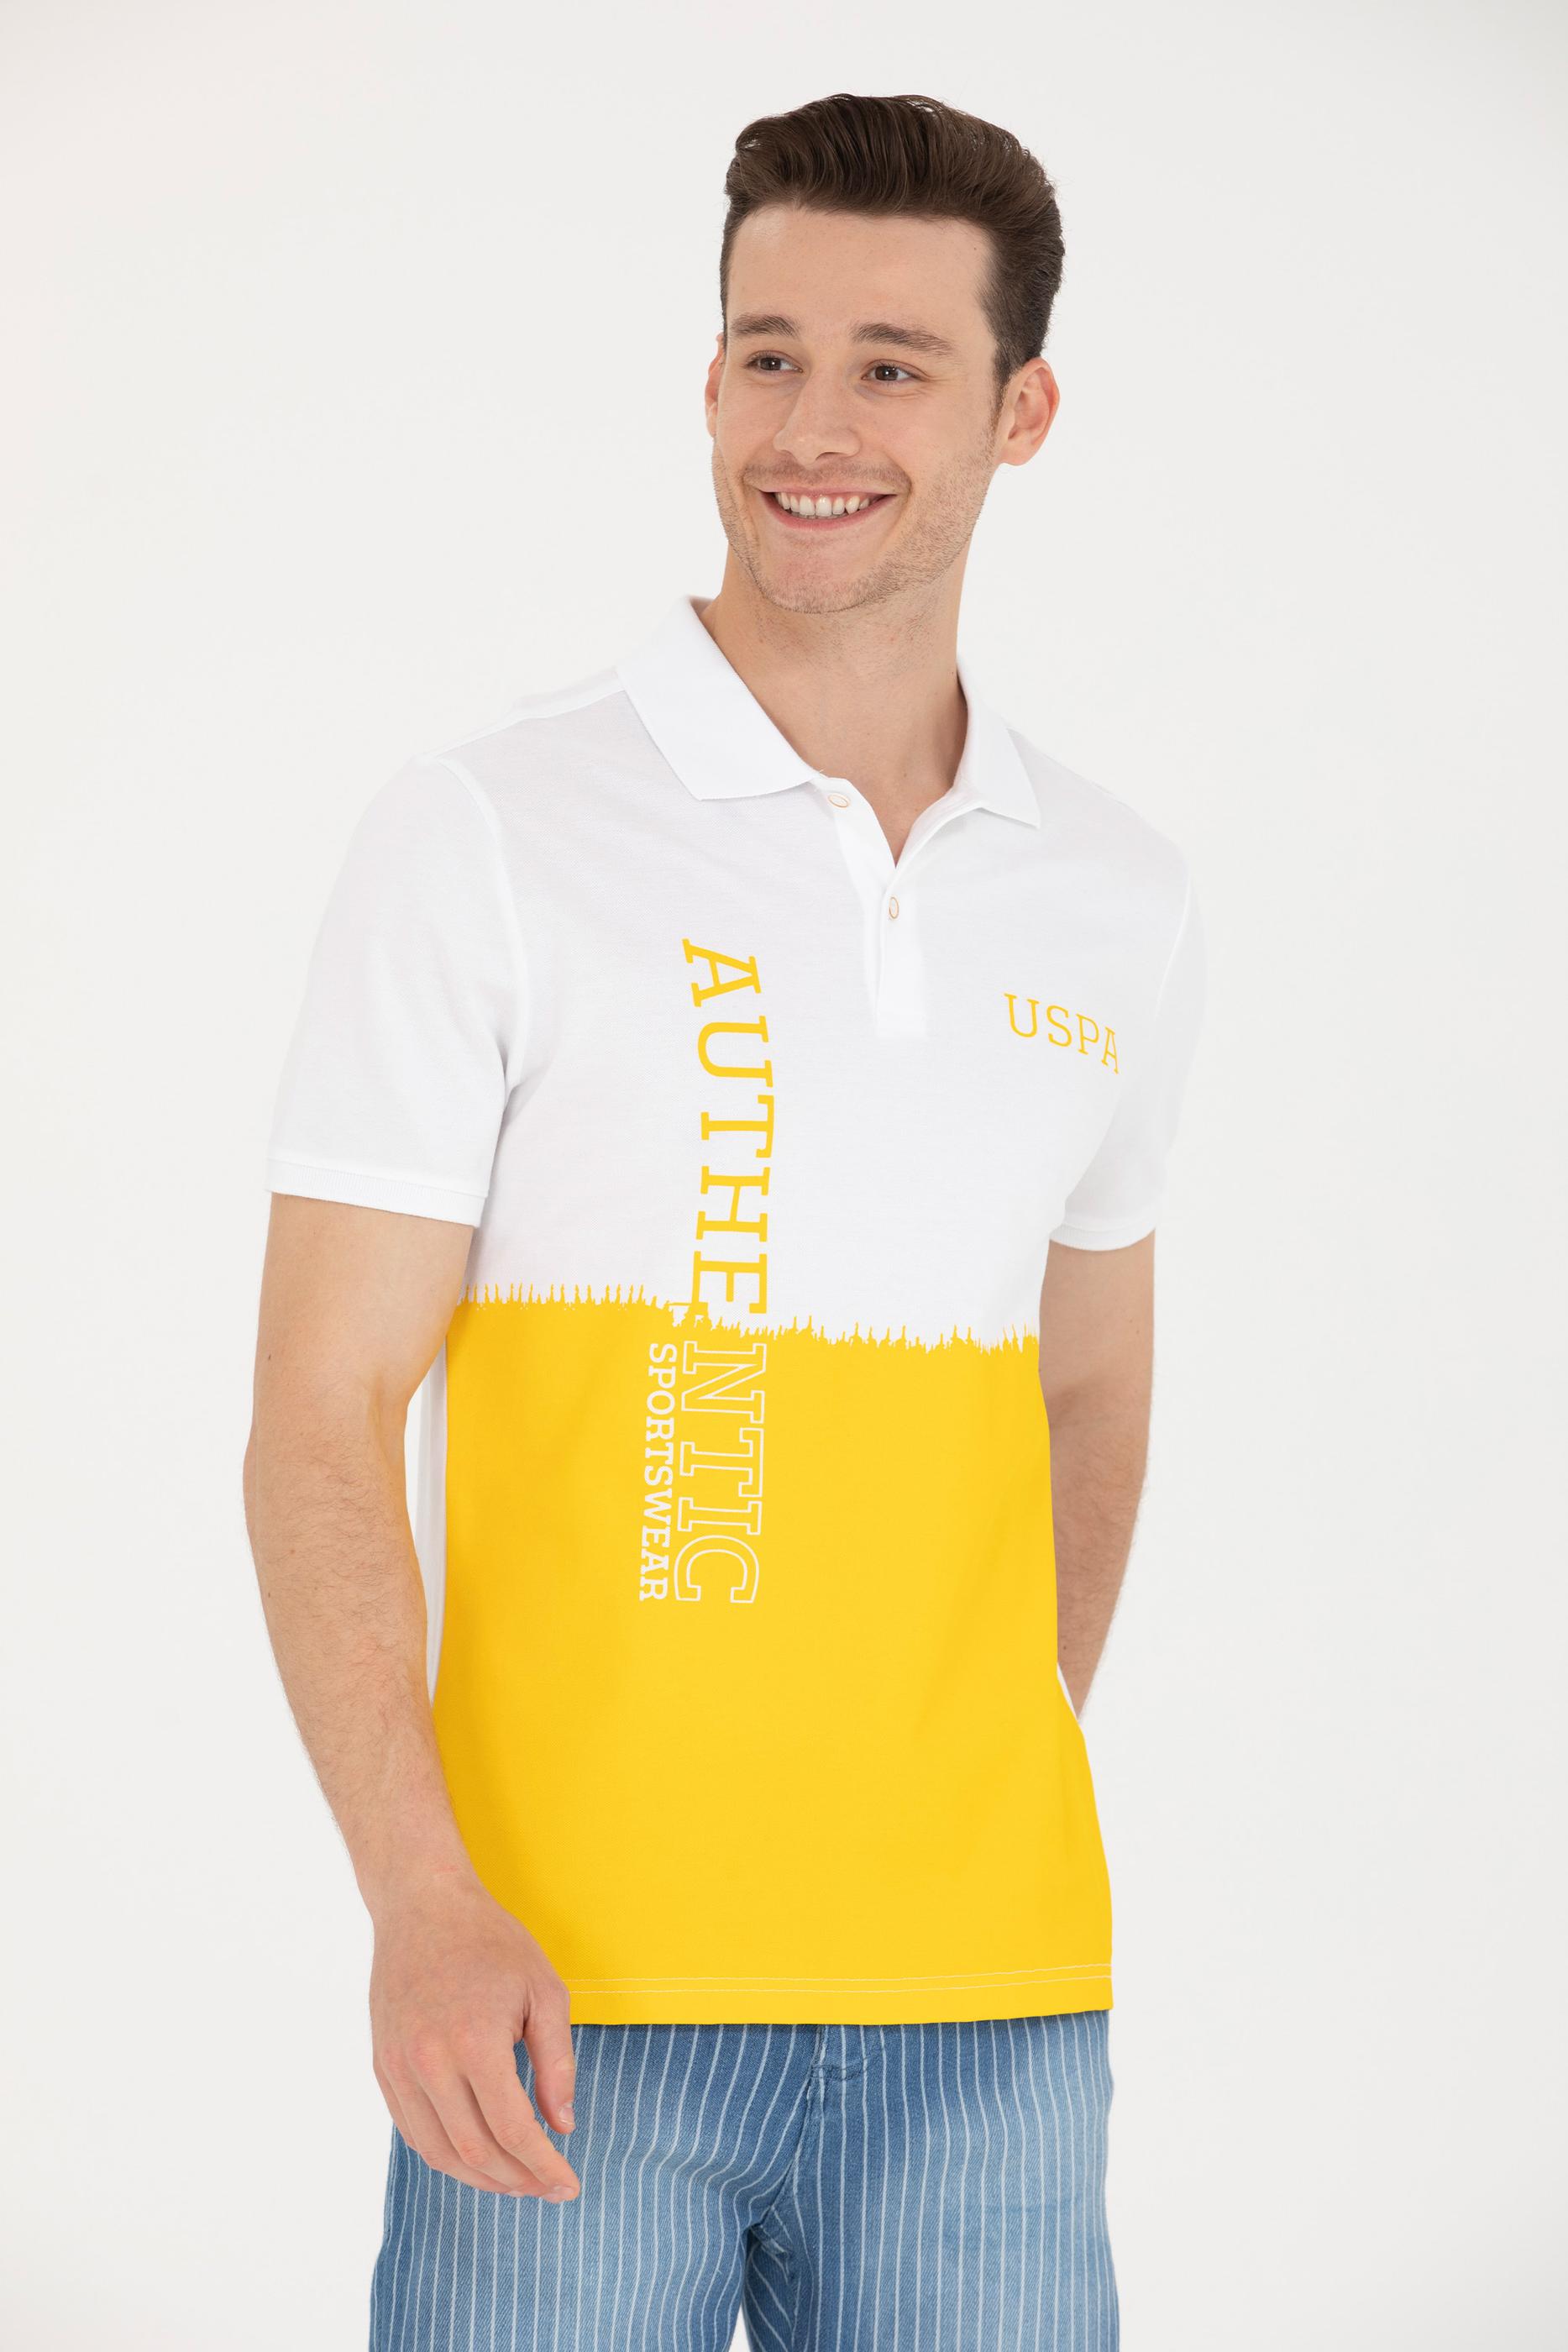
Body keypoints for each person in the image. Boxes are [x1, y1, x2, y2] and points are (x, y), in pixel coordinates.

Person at [245, 88, 1206, 2352]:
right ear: (705, 384)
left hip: (988, 2012)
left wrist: (954, 1756)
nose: (812, 425)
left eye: (892, 365)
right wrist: (418, 1899)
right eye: (767, 355)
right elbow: (319, 1412)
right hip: (559, 2004)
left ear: (1021, 411)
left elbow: (1088, 1386)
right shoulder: (490, 829)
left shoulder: (1117, 894)